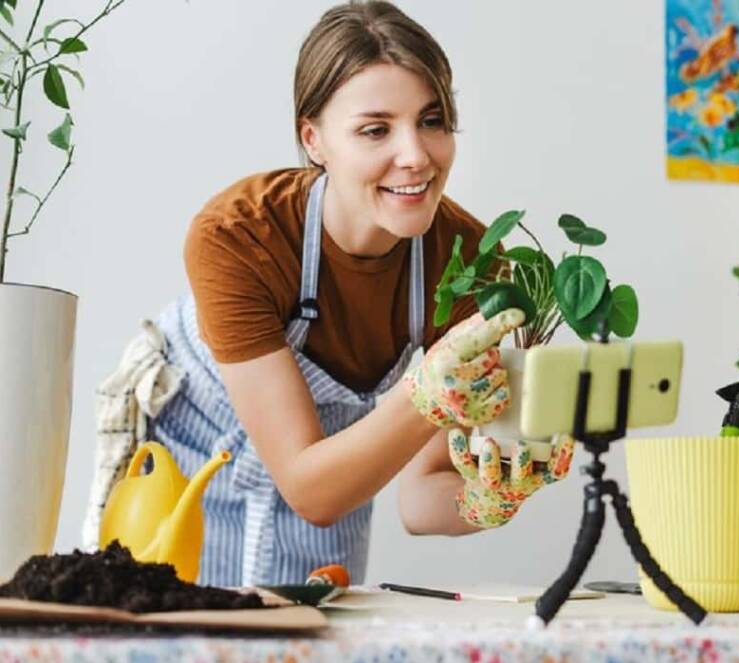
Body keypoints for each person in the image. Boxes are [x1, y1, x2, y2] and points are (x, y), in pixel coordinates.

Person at [84, 0, 575, 587]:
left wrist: (490, 499)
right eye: (375, 129)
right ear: (313, 139)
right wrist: (424, 397)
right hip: (186, 477)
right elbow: (306, 484)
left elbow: (419, 499)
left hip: (338, 480)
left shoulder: (470, 262)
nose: (416, 155)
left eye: (432, 120)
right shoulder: (238, 236)